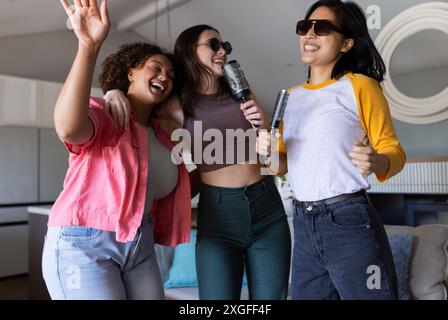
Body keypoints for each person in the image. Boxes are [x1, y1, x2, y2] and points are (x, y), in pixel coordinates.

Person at [105, 25, 291, 300]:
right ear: (190, 52)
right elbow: (137, 103)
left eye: (225, 45)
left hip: (268, 207)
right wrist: (113, 93)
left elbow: (278, 167)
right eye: (213, 44)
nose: (222, 51)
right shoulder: (175, 105)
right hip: (219, 213)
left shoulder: (244, 95)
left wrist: (265, 133)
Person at [42, 0, 192, 300]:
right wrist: (88, 46)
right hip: (85, 242)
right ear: (131, 73)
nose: (165, 76)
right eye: (156, 67)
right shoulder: (107, 113)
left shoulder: (164, 137)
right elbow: (69, 128)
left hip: (139, 245)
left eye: (171, 75)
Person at [257, 0, 406, 300]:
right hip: (303, 223)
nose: (309, 34)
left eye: (322, 28)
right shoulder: (289, 97)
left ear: (346, 43)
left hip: (349, 220)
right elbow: (281, 166)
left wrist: (376, 160)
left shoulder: (361, 86)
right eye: (305, 27)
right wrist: (267, 152)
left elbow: (394, 151)